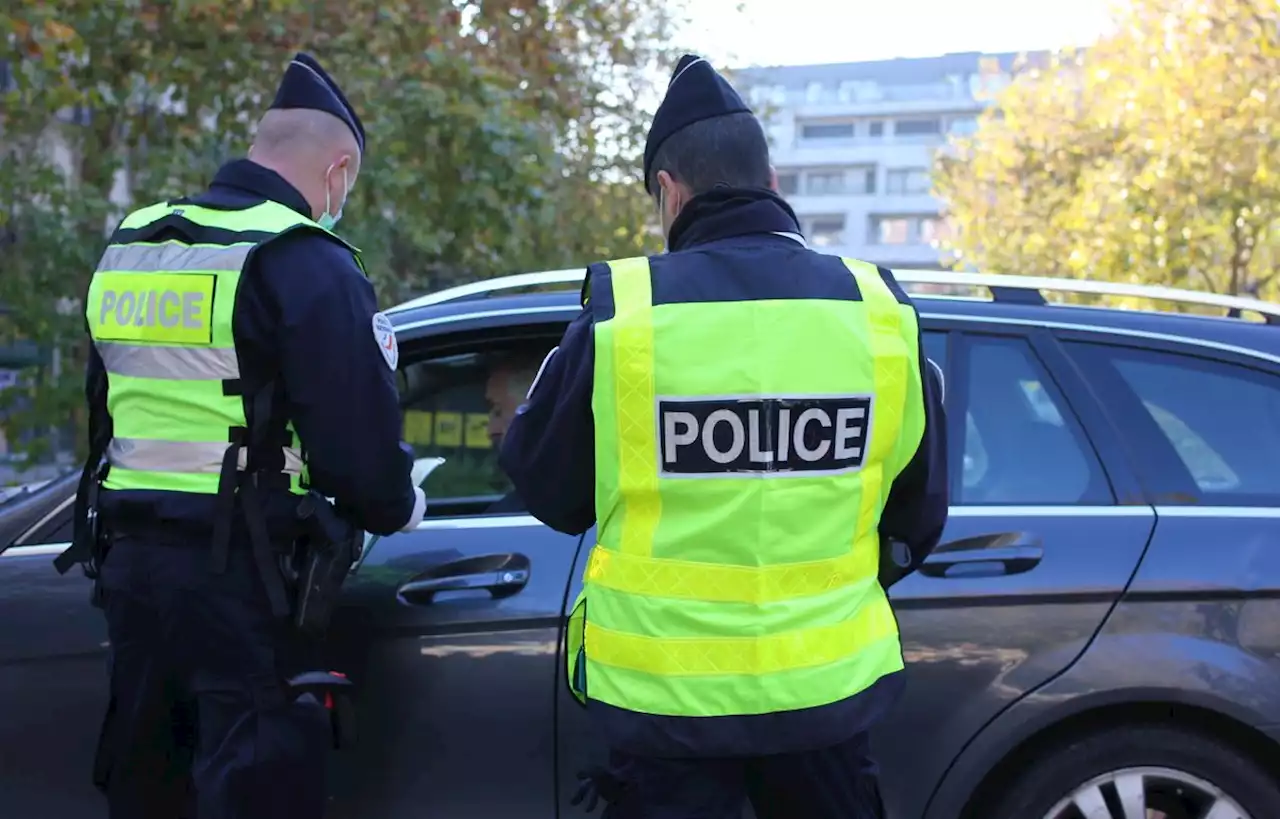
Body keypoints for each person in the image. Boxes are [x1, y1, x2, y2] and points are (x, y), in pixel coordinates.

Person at [500, 54, 948, 819]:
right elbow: (917, 510)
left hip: (664, 715)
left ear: (669, 192)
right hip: (827, 705)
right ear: (772, 185)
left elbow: (548, 488)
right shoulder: (878, 311)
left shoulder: (627, 315)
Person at [59, 53, 427, 819]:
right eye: (346, 190)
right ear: (338, 168)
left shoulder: (134, 244)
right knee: (254, 785)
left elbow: (105, 412)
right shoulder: (303, 260)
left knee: (148, 783)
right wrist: (400, 500)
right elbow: (359, 459)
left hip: (129, 571)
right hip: (241, 579)